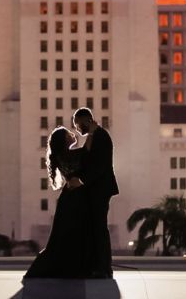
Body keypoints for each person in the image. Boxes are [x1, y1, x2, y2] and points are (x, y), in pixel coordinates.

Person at [24, 126, 93, 278]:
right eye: (69, 133)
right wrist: (92, 130)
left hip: (69, 198)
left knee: (65, 235)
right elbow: (88, 149)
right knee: (70, 234)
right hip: (73, 199)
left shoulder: (65, 155)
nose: (73, 133)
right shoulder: (68, 155)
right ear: (64, 140)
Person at [72, 107, 118, 278]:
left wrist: (81, 180)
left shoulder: (101, 136)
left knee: (99, 229)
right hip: (97, 189)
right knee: (96, 228)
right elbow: (87, 155)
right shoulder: (95, 136)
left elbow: (99, 165)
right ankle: (99, 266)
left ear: (85, 121)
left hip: (100, 189)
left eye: (77, 124)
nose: (77, 129)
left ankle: (103, 268)